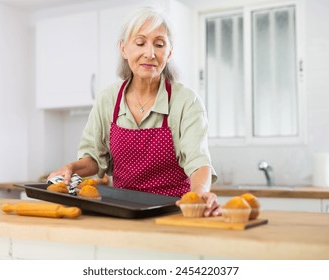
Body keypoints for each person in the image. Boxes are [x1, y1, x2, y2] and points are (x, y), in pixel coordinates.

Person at [48, 7, 220, 216]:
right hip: (121, 212)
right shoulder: (107, 99)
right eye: (140, 43)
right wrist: (71, 167)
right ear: (124, 49)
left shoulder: (186, 101)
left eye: (159, 44)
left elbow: (198, 162)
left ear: (169, 52)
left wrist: (200, 194)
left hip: (172, 212)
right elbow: (94, 157)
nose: (150, 53)